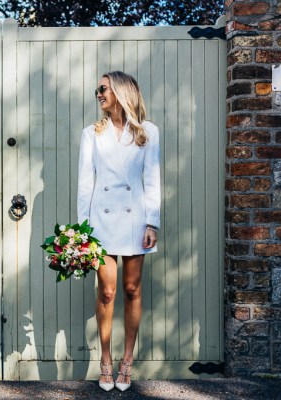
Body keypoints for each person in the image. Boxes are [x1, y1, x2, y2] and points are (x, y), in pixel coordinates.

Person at [77, 71, 161, 392]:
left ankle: (128, 360)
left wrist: (152, 221)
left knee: (131, 290)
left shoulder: (147, 132)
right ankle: (106, 359)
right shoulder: (91, 133)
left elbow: (152, 179)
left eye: (103, 88)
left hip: (136, 221)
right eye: (97, 89)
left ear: (122, 92)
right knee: (107, 291)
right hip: (101, 221)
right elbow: (86, 185)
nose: (98, 93)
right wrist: (82, 230)